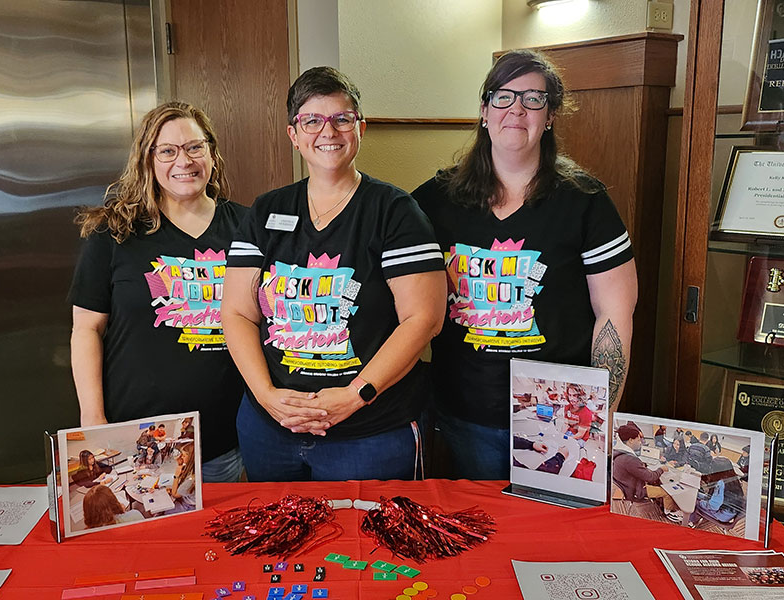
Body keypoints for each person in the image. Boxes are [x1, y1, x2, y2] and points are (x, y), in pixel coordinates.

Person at [412, 49, 637, 480]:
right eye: (503, 96)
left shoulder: (585, 201)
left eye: (534, 98)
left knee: (548, 540)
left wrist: (597, 415)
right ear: (484, 110)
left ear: (550, 115)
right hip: (464, 413)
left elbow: (615, 313)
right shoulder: (434, 200)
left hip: (559, 420)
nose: (517, 108)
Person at [222, 66, 446, 482]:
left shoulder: (395, 212)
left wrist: (355, 395)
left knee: (368, 545)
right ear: (294, 134)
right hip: (271, 430)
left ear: (360, 128)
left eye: (342, 119)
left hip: (369, 432)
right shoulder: (266, 211)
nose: (328, 131)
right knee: (277, 545)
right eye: (312, 120)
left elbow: (424, 319)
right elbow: (236, 313)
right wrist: (266, 396)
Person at [68, 102, 246, 483]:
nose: (184, 160)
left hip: (224, 440)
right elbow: (86, 329)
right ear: (147, 160)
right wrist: (94, 421)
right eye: (167, 150)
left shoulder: (248, 229)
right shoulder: (114, 232)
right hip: (134, 441)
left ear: (212, 153)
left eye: (195, 147)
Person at [612, 423, 683, 523]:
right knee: (667, 492)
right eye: (638, 440)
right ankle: (669, 513)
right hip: (635, 491)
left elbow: (635, 469)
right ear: (631, 440)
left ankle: (661, 504)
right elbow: (650, 477)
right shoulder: (630, 460)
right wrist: (661, 469)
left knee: (657, 481)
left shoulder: (618, 452)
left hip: (627, 486)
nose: (640, 442)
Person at [689, 456, 745, 527]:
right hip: (730, 512)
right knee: (698, 498)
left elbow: (713, 505)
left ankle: (690, 522)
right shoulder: (732, 478)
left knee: (693, 503)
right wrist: (697, 494)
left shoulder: (720, 484)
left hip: (723, 515)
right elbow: (715, 498)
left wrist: (699, 502)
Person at [167, 444, 197, 512]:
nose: (181, 457)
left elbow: (175, 494)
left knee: (164, 511)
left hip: (189, 505)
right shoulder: (191, 469)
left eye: (183, 455)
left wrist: (176, 476)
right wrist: (180, 464)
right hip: (185, 499)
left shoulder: (191, 478)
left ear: (190, 458)